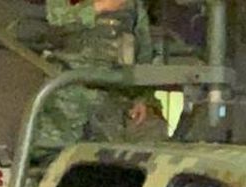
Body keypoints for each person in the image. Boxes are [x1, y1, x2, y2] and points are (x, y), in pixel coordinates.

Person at [36, 0, 163, 152]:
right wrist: (99, 7)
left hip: (111, 96)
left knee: (107, 156)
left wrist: (141, 97)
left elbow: (144, 50)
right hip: (67, 94)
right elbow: (55, 22)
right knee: (52, 154)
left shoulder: (133, 5)